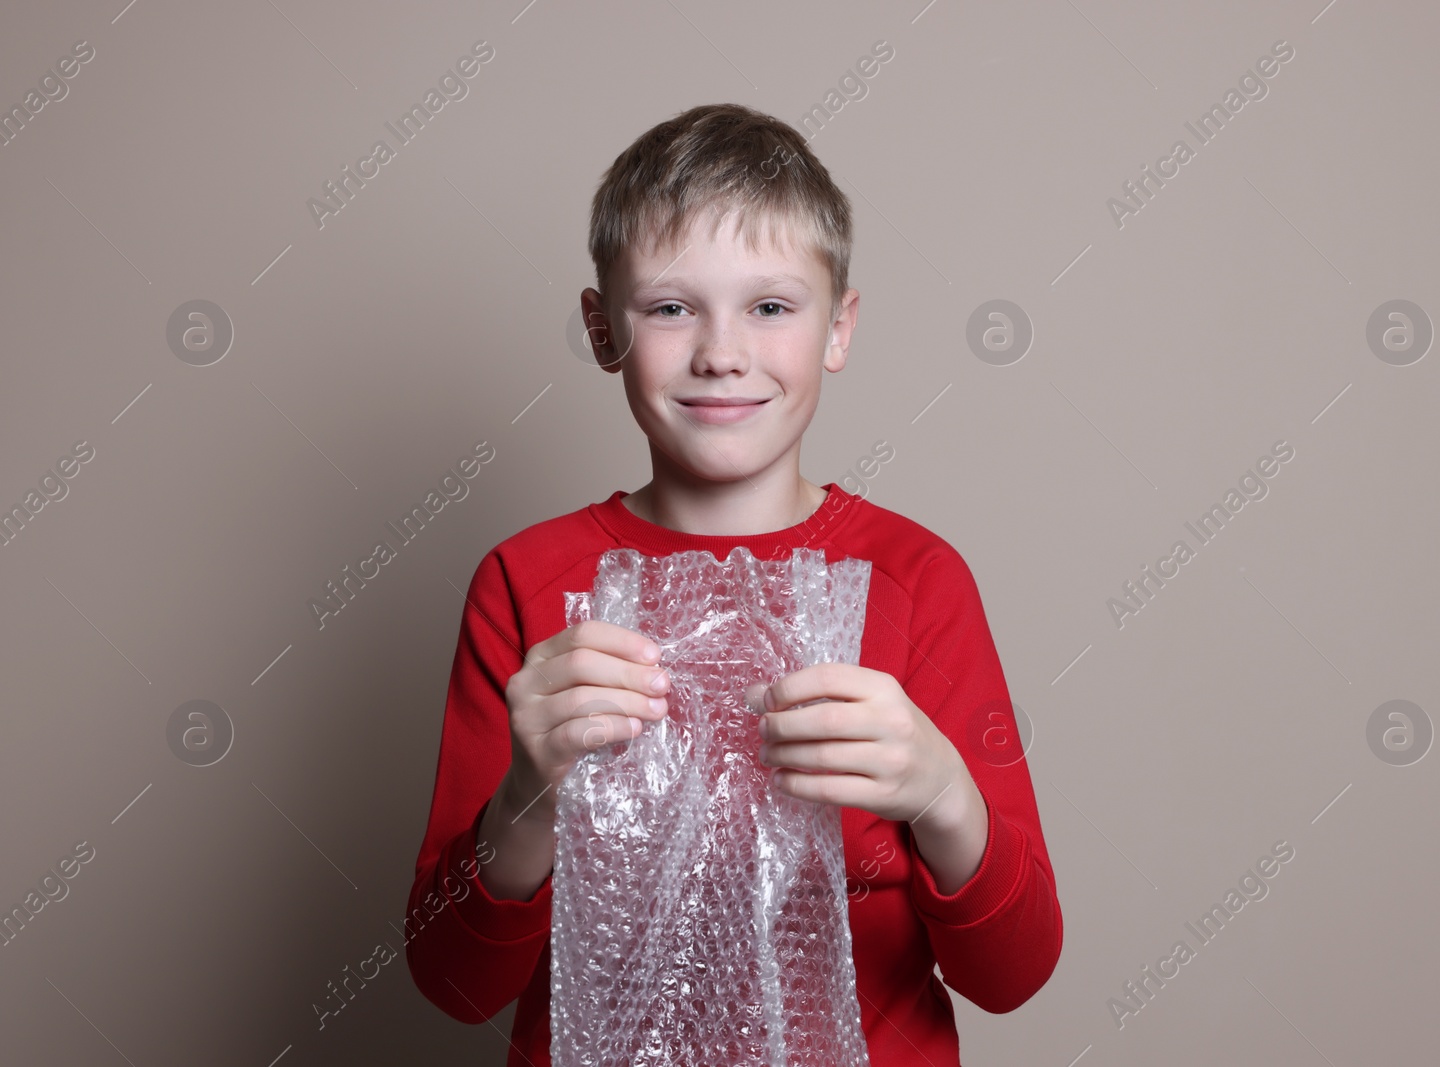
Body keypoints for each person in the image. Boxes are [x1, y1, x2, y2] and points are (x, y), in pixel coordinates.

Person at [404, 102, 1061, 1065]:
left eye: (770, 305)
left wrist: (940, 792)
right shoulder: (528, 582)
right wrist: (531, 793)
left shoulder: (916, 580)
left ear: (839, 327)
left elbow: (1015, 971)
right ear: (603, 330)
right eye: (671, 307)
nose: (722, 350)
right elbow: (455, 982)